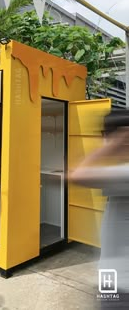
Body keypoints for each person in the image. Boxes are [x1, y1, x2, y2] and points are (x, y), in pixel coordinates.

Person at [70, 109, 129, 308]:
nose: (103, 141)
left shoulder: (125, 173)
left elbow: (77, 175)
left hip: (121, 284)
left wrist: (113, 144)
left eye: (106, 136)